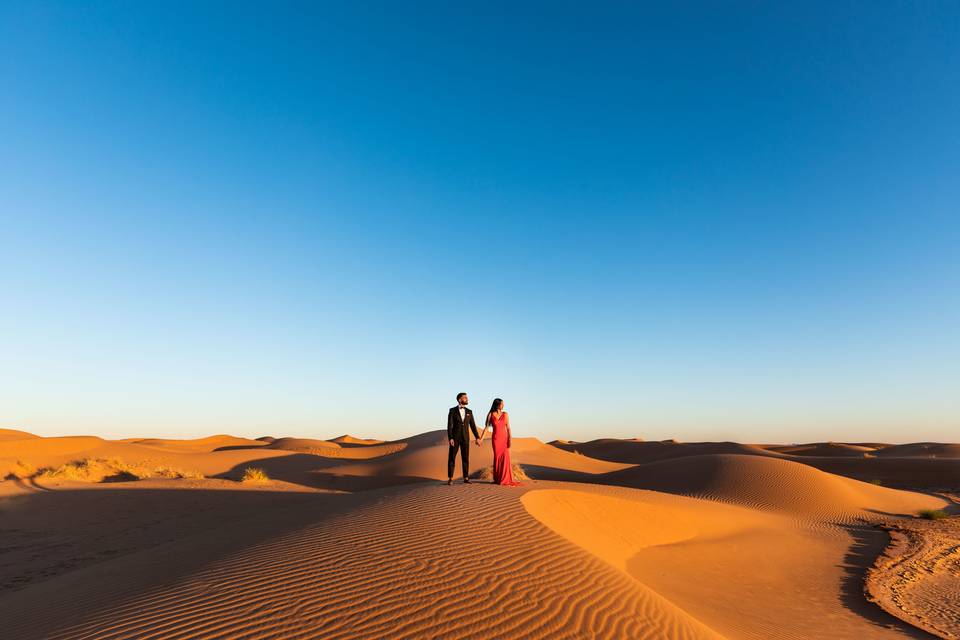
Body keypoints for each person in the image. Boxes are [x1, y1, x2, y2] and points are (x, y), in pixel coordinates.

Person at [479, 398, 521, 486]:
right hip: (496, 439)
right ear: (497, 404)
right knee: (497, 457)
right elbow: (486, 428)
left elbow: (508, 428)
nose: (503, 405)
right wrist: (481, 439)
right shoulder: (490, 414)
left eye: (503, 404)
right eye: (502, 404)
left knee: (505, 458)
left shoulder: (505, 414)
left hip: (504, 439)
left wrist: (510, 439)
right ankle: (498, 479)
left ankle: (506, 479)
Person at [446, 392, 481, 485]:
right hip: (455, 438)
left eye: (467, 397)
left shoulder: (469, 412)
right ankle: (450, 478)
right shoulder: (452, 411)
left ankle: (466, 477)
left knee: (465, 458)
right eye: (465, 398)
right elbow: (449, 426)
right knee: (452, 457)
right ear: (459, 399)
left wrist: (477, 437)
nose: (467, 399)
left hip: (466, 438)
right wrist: (451, 438)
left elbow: (473, 426)